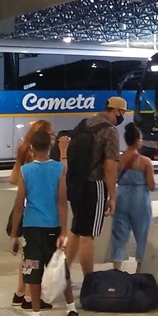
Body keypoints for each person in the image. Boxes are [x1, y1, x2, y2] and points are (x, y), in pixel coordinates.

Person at [8, 130, 81, 316]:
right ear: (50, 147)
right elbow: (62, 202)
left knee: (32, 272)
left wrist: (14, 234)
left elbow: (19, 205)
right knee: (61, 269)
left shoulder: (25, 171)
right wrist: (63, 231)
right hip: (53, 227)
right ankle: (71, 311)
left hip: (31, 229)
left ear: (31, 148)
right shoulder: (58, 169)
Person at [64, 97, 124, 278]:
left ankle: (63, 275)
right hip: (95, 186)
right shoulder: (110, 131)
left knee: (75, 230)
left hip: (76, 183)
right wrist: (112, 196)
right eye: (122, 112)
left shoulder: (85, 123)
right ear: (116, 111)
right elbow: (110, 166)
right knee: (87, 236)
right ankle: (89, 280)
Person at [9, 120, 54, 308]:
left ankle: (20, 292)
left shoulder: (23, 150)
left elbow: (13, 178)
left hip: (25, 207)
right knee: (34, 257)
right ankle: (29, 296)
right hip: (35, 211)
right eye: (51, 134)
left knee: (27, 254)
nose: (54, 137)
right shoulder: (36, 157)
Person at [110, 123, 155, 273]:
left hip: (121, 196)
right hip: (140, 199)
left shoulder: (118, 160)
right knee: (143, 234)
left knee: (119, 234)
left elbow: (112, 178)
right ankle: (139, 270)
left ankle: (116, 269)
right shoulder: (145, 161)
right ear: (137, 141)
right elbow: (151, 186)